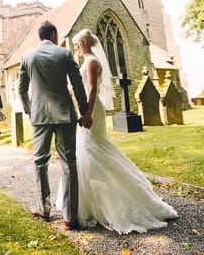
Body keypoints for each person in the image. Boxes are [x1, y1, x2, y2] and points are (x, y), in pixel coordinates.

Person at [56, 28, 178, 233]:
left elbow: (93, 89)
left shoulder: (92, 62)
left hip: (93, 110)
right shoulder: (86, 61)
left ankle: (115, 201)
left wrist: (88, 113)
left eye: (77, 44)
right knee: (87, 153)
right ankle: (87, 204)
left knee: (92, 152)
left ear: (84, 44)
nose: (75, 48)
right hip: (87, 107)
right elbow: (83, 89)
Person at [17, 21, 91, 231]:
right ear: (53, 34)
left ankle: (44, 210)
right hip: (65, 114)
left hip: (39, 116)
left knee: (40, 162)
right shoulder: (65, 54)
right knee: (69, 162)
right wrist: (84, 111)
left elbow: (21, 89)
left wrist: (29, 110)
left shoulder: (27, 57)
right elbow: (77, 85)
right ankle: (70, 217)